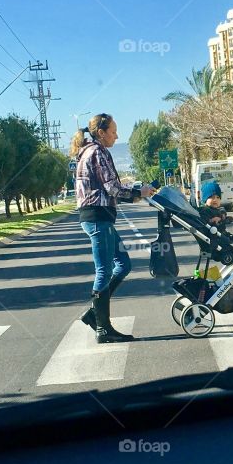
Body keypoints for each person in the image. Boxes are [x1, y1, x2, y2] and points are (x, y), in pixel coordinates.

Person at [70, 113, 154, 344]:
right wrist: (139, 193)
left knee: (123, 264)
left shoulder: (88, 151)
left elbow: (108, 185)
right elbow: (112, 188)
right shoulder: (97, 152)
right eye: (114, 131)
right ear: (101, 133)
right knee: (104, 271)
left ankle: (94, 315)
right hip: (98, 218)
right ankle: (103, 329)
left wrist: (136, 190)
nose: (117, 136)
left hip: (100, 217)